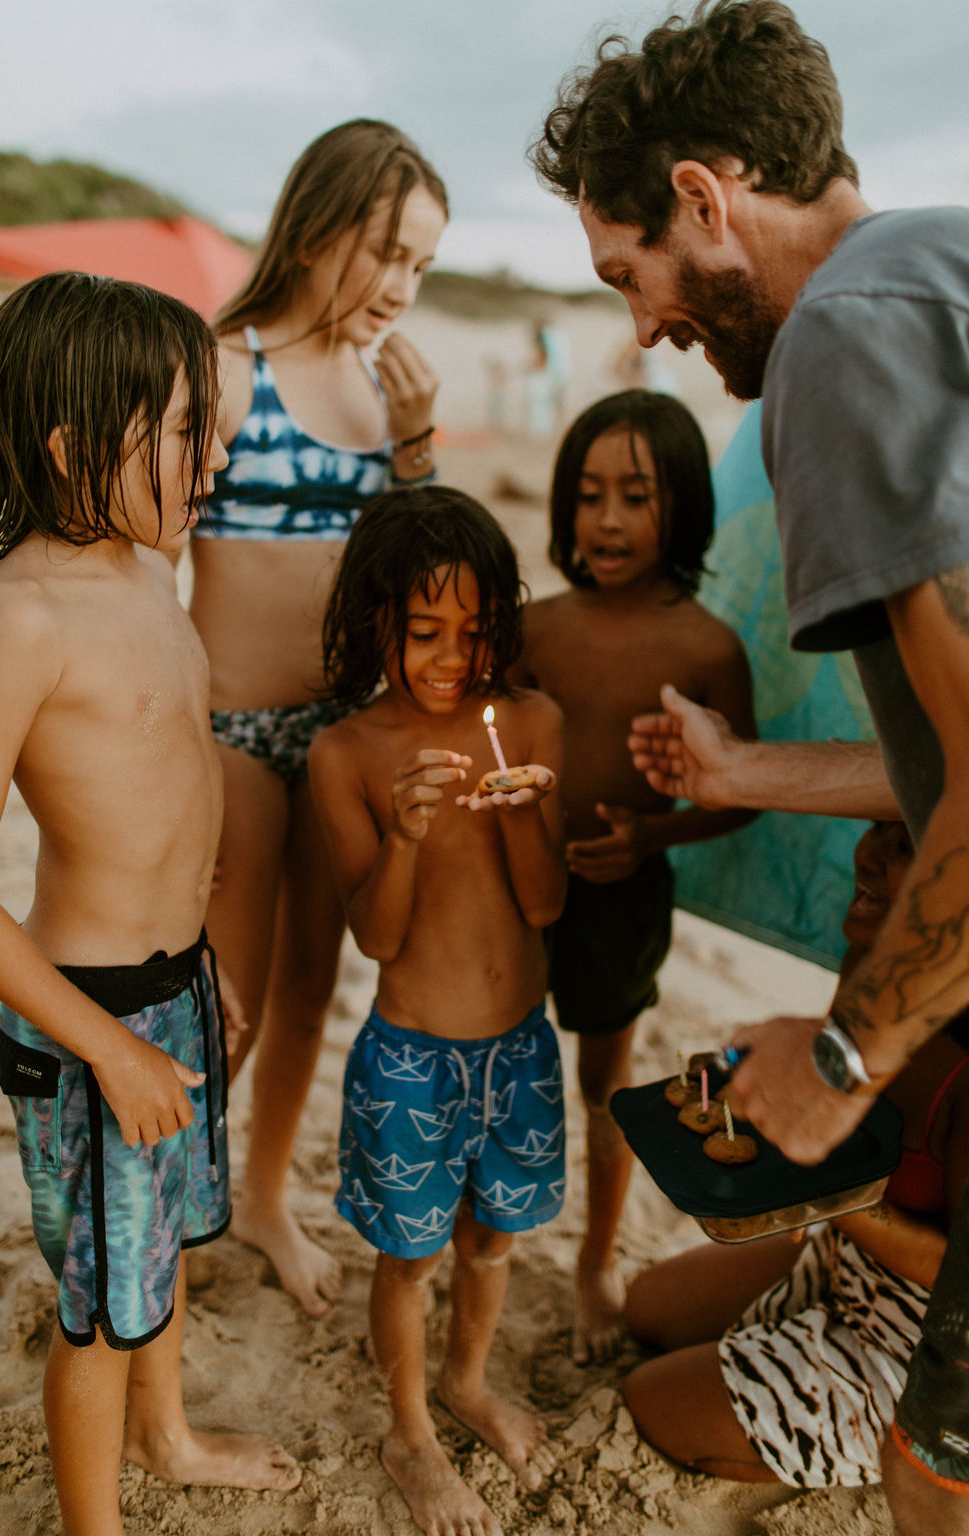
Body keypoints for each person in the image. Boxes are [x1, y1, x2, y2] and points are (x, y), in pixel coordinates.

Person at [533, 1, 969, 1526]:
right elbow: (945, 764)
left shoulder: (839, 342)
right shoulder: (941, 262)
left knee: (937, 1469)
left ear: (709, 201)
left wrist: (843, 1058)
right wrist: (740, 774)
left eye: (632, 273)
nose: (646, 327)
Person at [0, 272, 298, 1536]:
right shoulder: (21, 619)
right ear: (76, 445)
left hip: (177, 989)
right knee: (99, 1305)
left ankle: (168, 1432)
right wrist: (106, 1047)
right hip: (91, 1017)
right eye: (188, 431)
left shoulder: (154, 572)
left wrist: (206, 970)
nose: (219, 453)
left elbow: (171, 781)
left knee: (165, 1247)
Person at [189, 120, 448, 1315]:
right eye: (384, 249)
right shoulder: (224, 368)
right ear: (314, 225)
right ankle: (170, 1203)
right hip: (232, 737)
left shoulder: (377, 385)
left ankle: (260, 1194)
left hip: (340, 740)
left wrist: (416, 451)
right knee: (224, 1001)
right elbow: (144, 564)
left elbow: (421, 568)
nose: (399, 283)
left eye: (421, 264)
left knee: (306, 992)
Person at [308, 486, 565, 1536]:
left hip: (520, 1053)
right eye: (425, 633)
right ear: (379, 625)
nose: (453, 656)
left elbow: (545, 902)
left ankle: (466, 1380)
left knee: (494, 1239)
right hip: (411, 1058)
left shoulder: (535, 722)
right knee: (408, 1256)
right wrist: (409, 835)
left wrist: (518, 813)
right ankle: (408, 1429)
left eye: (476, 630)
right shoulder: (346, 755)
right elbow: (374, 935)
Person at [515, 390, 755, 1364]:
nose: (607, 519)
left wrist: (648, 837)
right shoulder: (531, 626)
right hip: (509, 889)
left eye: (635, 496)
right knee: (488, 1053)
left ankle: (595, 1258)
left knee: (606, 1085)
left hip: (622, 893)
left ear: (684, 507)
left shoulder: (706, 647)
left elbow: (738, 798)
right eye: (588, 494)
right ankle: (480, 1227)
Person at [621, 820, 969, 1487]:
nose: (866, 854)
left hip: (930, 1339)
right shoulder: (872, 960)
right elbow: (827, 1102)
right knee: (646, 1310)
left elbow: (959, 1280)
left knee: (651, 1402)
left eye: (904, 847)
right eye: (877, 827)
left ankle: (886, 1449)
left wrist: (833, 1201)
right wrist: (740, 1088)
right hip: (845, 1262)